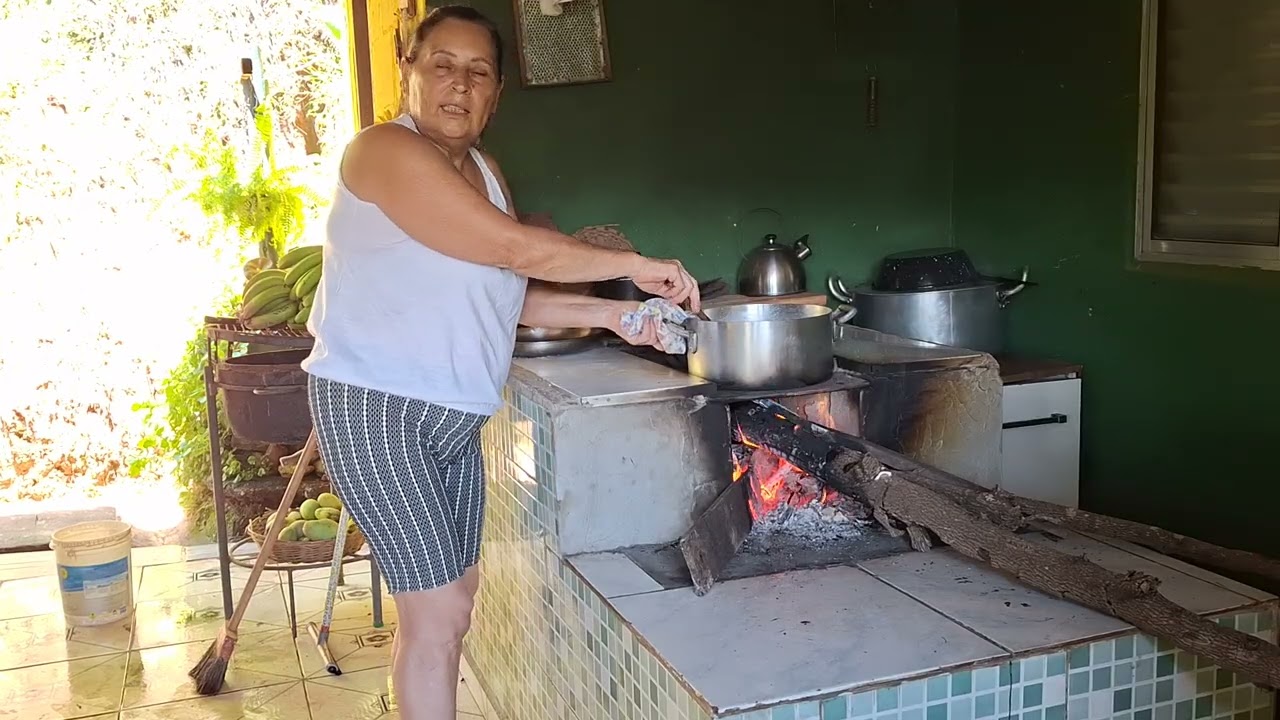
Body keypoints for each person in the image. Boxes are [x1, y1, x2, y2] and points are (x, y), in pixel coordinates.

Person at [300, 6, 699, 719]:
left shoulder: (485, 171)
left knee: (453, 606)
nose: (459, 83)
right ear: (408, 72)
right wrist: (634, 266)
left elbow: (506, 294)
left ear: (497, 94)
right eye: (442, 65)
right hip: (376, 410)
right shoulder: (380, 151)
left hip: (453, 420)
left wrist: (613, 315)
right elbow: (515, 249)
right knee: (438, 611)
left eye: (479, 72)